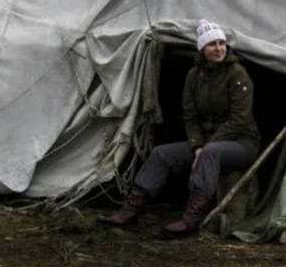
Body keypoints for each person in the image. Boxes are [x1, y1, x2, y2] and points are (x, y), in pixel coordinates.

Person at [101, 19, 261, 236]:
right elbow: (190, 117)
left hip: (241, 144)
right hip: (205, 144)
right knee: (162, 154)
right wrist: (197, 147)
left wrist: (206, 148)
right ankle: (131, 210)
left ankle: (191, 219)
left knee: (210, 154)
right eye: (212, 44)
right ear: (202, 48)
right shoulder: (194, 76)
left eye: (221, 43)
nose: (218, 49)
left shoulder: (237, 73)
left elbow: (239, 119)